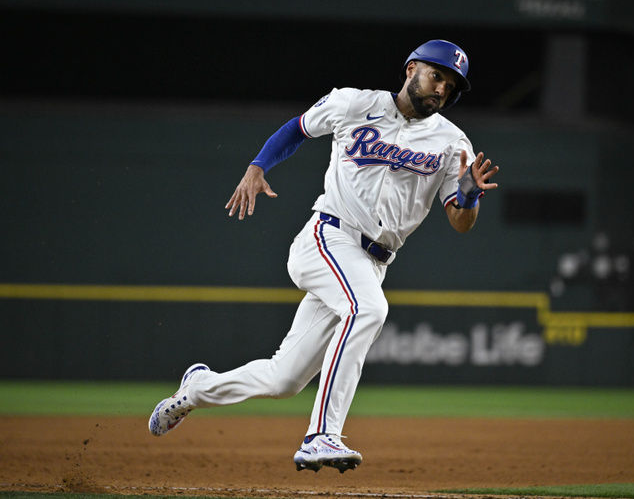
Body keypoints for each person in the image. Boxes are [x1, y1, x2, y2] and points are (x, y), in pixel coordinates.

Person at [148, 39, 498, 474]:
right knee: (368, 309)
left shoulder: (452, 142)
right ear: (411, 69)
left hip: (373, 262)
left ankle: (197, 389)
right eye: (437, 75)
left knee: (283, 380)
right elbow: (298, 128)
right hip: (329, 237)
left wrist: (467, 195)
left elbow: (460, 221)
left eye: (451, 85)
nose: (442, 88)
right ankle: (320, 436)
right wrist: (258, 166)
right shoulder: (354, 104)